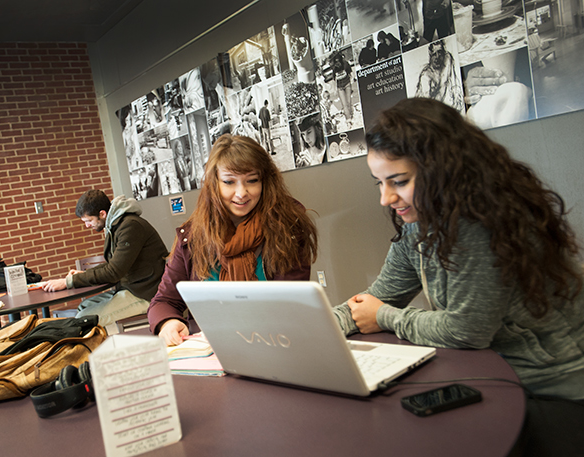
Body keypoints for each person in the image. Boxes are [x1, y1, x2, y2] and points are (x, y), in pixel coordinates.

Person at [330, 98, 584, 456]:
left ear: (441, 170)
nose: (386, 198)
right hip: (498, 375)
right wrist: (315, 327)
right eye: (379, 184)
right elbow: (376, 297)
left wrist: (384, 316)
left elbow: (466, 330)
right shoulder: (418, 223)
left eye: (398, 182)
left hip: (554, 388)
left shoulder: (482, 225)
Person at [148, 134, 318, 346]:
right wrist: (168, 323)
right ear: (214, 183)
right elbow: (164, 301)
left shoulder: (287, 227)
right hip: (211, 351)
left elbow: (289, 307)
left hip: (273, 345)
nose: (241, 193)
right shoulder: (193, 236)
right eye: (229, 182)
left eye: (252, 181)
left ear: (265, 181)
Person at [41, 190, 168, 328]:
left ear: (102, 214)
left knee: (83, 319)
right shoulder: (116, 225)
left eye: (89, 220)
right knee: (84, 306)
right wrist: (83, 275)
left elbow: (114, 272)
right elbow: (112, 264)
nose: (87, 226)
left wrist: (69, 282)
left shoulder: (130, 226)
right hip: (132, 288)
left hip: (147, 294)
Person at [415, 40, 464, 111]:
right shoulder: (426, 76)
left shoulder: (447, 59)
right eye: (434, 54)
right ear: (430, 55)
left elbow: (454, 81)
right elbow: (427, 106)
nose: (437, 57)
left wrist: (457, 99)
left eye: (440, 52)